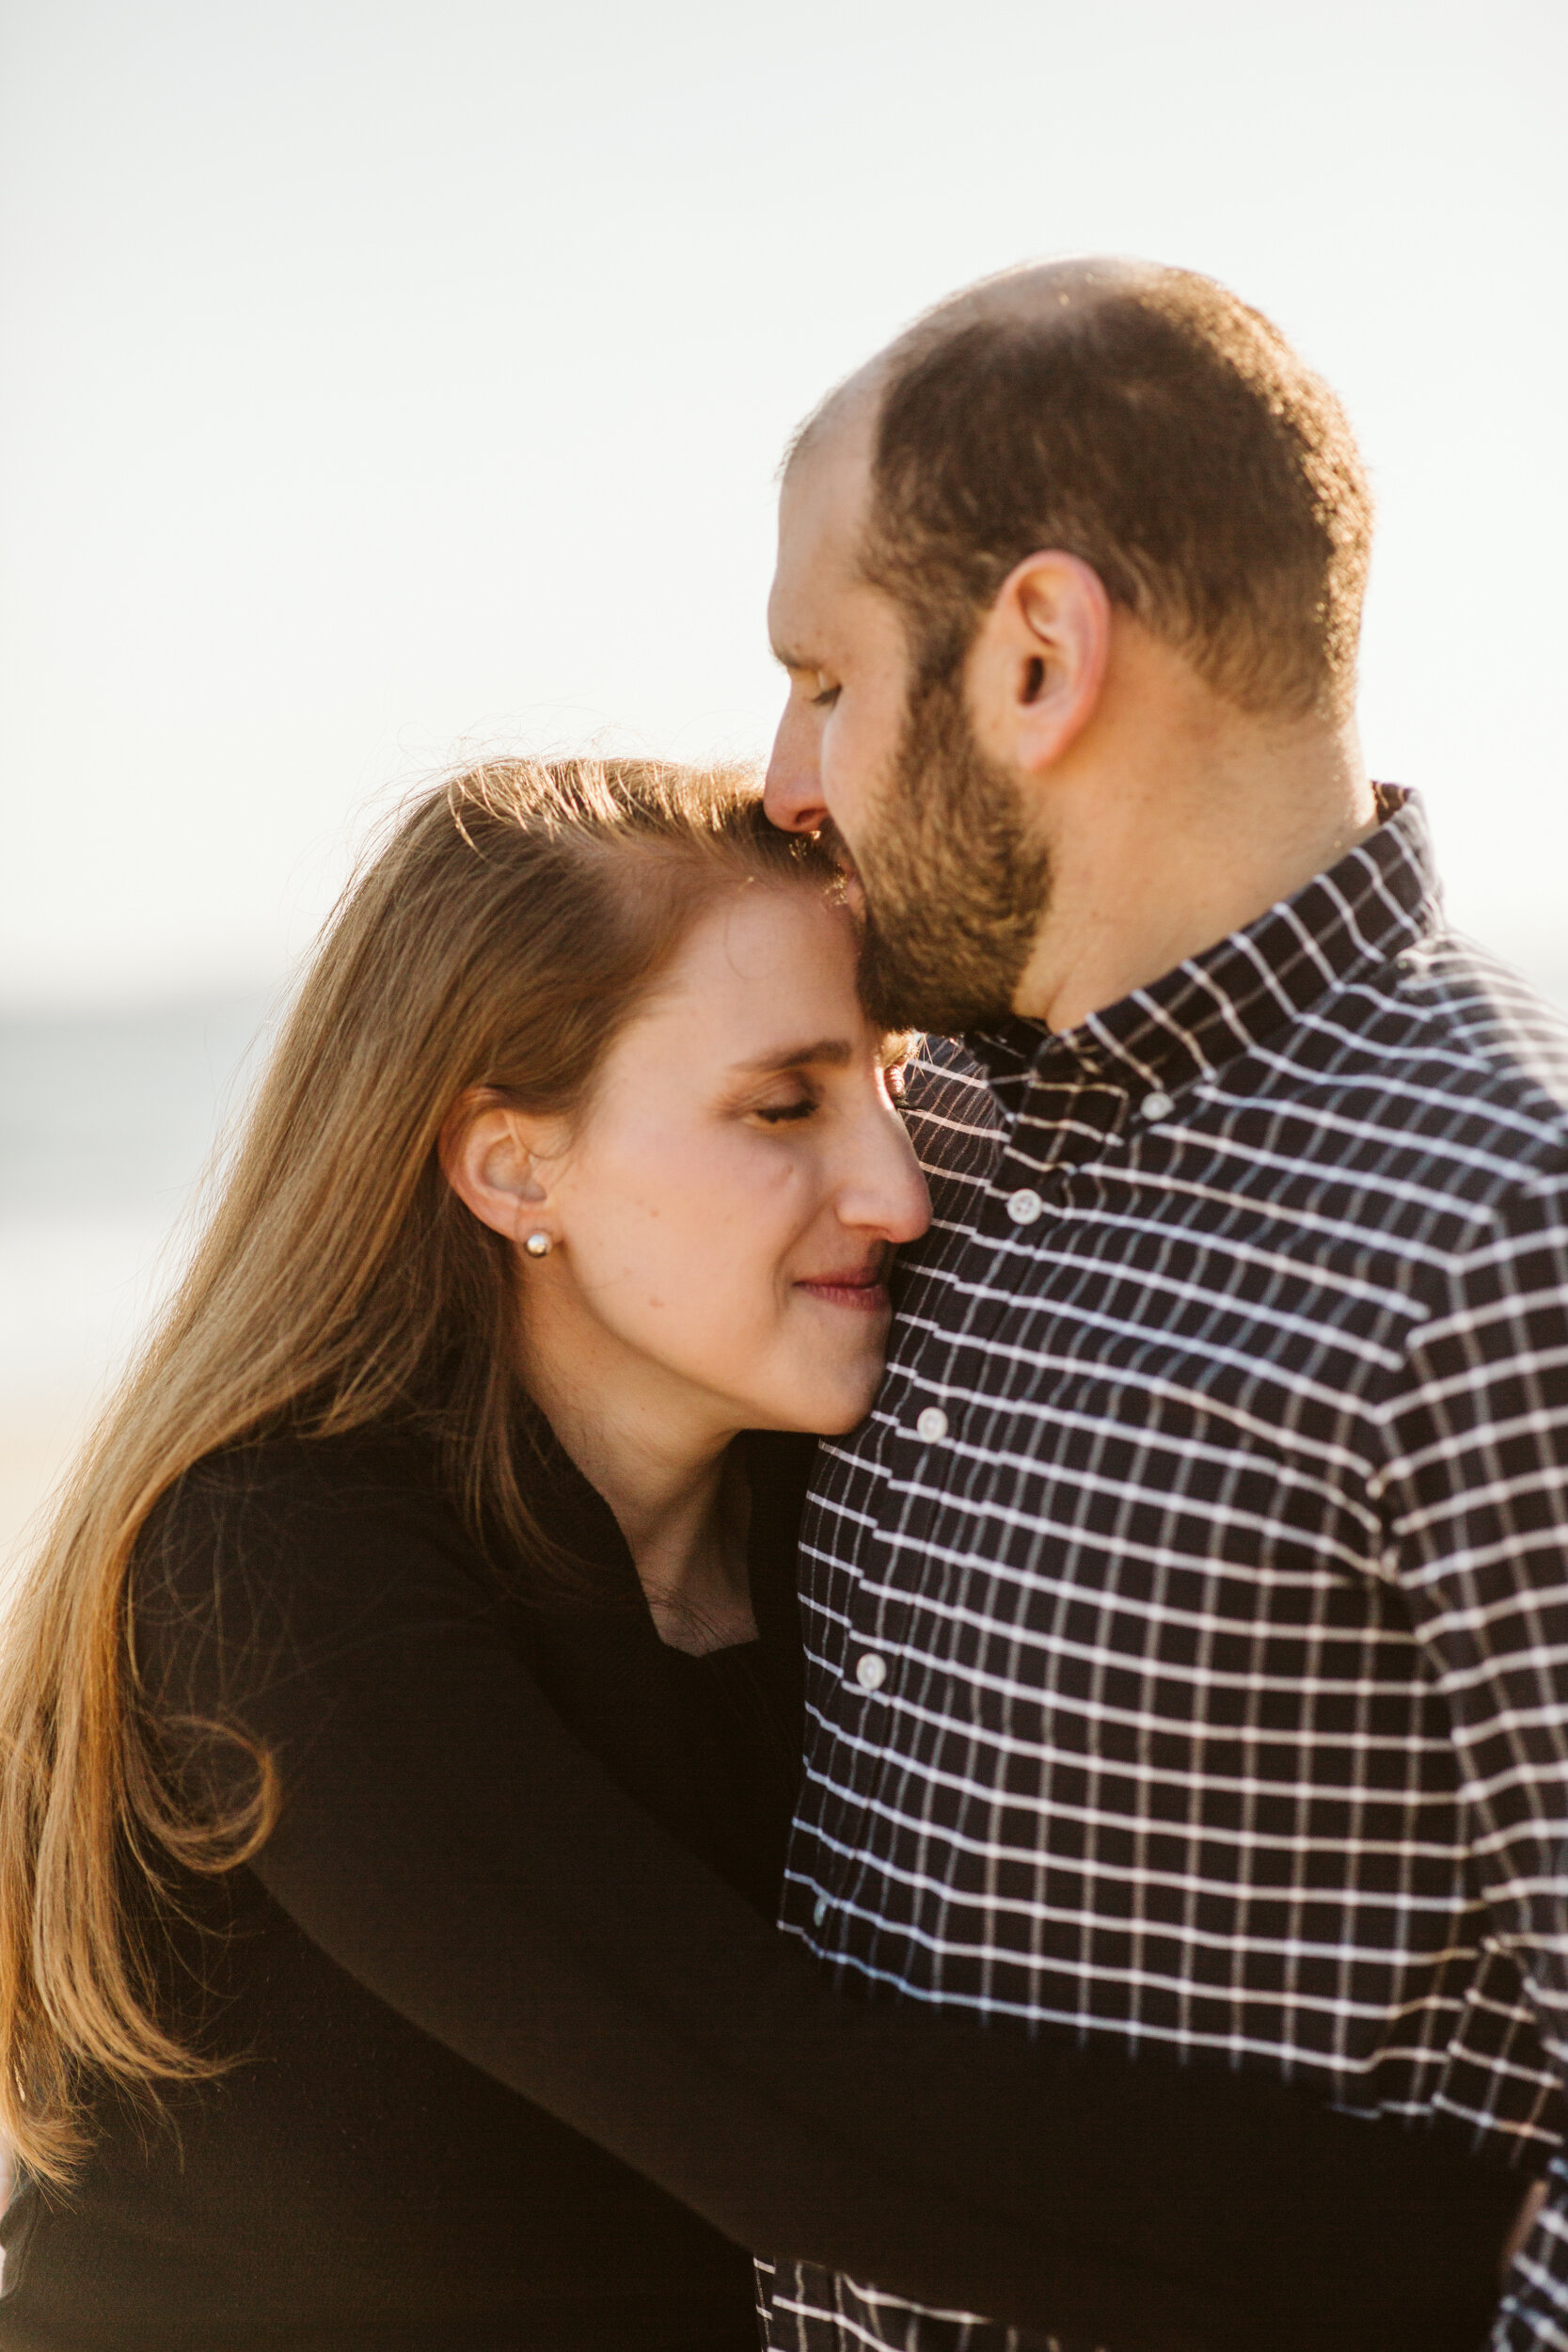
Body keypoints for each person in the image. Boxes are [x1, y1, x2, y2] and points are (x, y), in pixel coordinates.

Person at [0, 758, 1525, 2352]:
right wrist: (1501, 2244)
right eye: (781, 1105)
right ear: (516, 1165)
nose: (899, 1188)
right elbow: (794, 2112)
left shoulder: (846, 1511)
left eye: (885, 1079)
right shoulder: (267, 1563)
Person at [759, 256, 1568, 2352]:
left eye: (826, 678)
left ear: (1036, 655)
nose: (782, 774)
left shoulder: (1502, 1229)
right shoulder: (910, 1136)